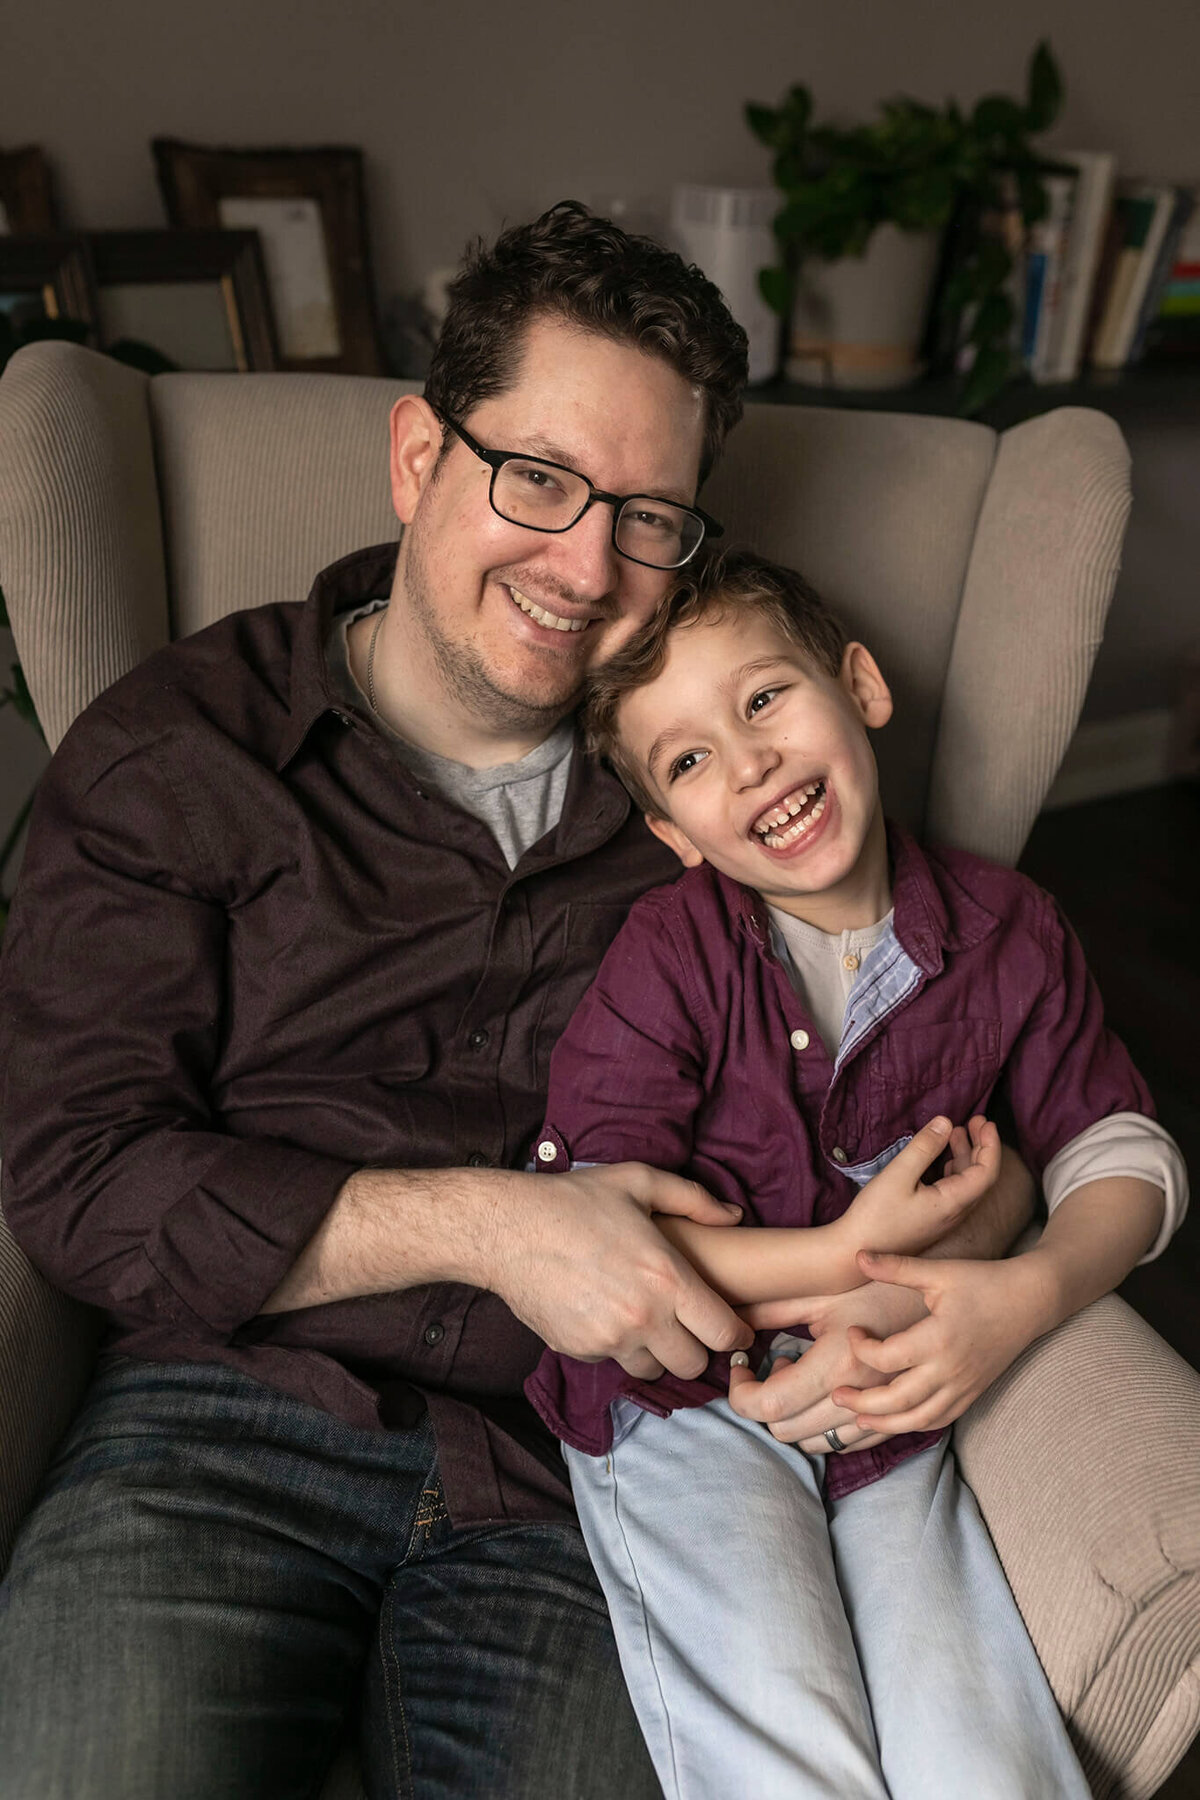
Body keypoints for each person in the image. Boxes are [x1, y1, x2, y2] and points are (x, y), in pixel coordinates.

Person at [0, 205, 1034, 1798]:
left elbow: (934, 1037)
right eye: (538, 480)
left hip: (583, 1475)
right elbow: (78, 1174)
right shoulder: (182, 749)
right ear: (421, 458)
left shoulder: (719, 799)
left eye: (648, 517)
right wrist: (497, 1228)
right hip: (219, 1422)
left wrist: (986, 1207)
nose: (583, 565)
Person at [524, 548, 1188, 1800]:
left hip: (894, 1422)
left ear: (861, 686)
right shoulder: (671, 954)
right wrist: (827, 1289)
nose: (751, 762)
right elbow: (596, 1241)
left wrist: (1019, 1299)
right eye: (690, 759)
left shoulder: (1009, 930)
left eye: (764, 700)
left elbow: (1120, 1148)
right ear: (673, 834)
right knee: (790, 1755)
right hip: (684, 1413)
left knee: (987, 1770)